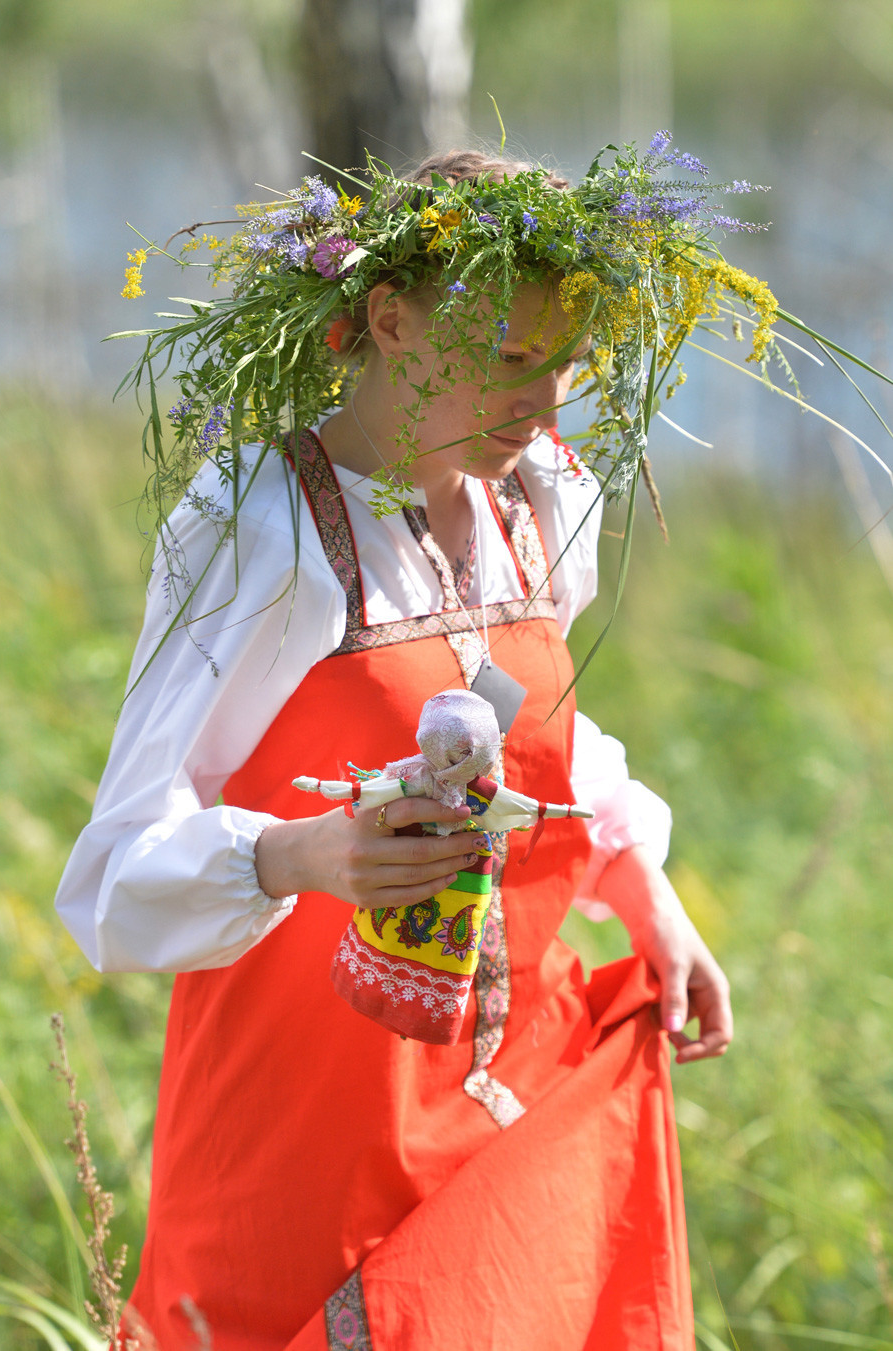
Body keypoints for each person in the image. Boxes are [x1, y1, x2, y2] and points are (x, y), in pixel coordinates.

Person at [56, 147, 734, 1350]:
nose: (543, 404)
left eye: (567, 366)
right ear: (390, 319)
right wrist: (305, 853)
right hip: (308, 1130)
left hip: (506, 1098)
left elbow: (555, 745)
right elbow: (113, 876)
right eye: (509, 361)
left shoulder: (548, 501)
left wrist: (647, 896)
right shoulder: (257, 522)